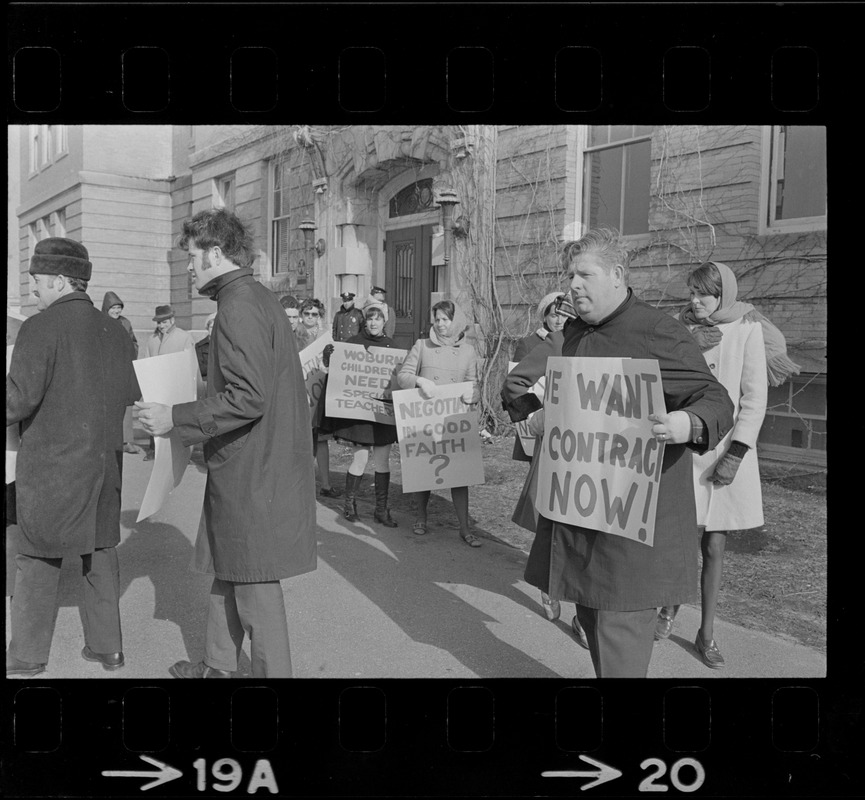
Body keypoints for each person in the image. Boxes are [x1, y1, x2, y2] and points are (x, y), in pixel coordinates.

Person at [502, 228, 734, 678]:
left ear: (617, 276)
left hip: (633, 532)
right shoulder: (570, 334)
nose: (573, 285)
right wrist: (534, 416)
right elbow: (518, 387)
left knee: (619, 647)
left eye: (584, 274)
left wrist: (685, 424)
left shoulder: (657, 331)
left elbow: (716, 399)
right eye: (570, 275)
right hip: (579, 522)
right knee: (592, 625)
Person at [136, 208, 316, 679]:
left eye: (193, 256)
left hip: (252, 467)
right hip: (253, 461)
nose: (189, 266)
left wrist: (174, 417)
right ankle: (218, 666)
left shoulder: (237, 306)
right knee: (228, 564)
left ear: (216, 252)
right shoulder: (251, 297)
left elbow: (248, 397)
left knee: (254, 580)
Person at [6, 238, 139, 677]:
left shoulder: (39, 328)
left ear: (60, 281)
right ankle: (108, 650)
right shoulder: (115, 330)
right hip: (104, 466)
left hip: (53, 469)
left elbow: (17, 402)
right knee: (100, 553)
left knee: (37, 557)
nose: (33, 292)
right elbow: (127, 394)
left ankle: (26, 656)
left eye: (37, 283)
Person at [654, 261, 797, 669]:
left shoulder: (747, 328)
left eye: (705, 294)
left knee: (714, 544)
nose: (696, 302)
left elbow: (753, 397)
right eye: (693, 293)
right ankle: (668, 609)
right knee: (678, 536)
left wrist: (736, 453)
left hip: (724, 450)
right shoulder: (677, 327)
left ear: (724, 295)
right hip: (685, 444)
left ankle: (707, 634)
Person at [508, 291, 584, 638]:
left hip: (597, 454)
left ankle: (585, 613)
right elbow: (514, 384)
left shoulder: (618, 339)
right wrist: (538, 415)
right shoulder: (559, 342)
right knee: (551, 520)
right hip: (557, 447)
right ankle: (550, 587)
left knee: (589, 527)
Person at [397, 300, 482, 546]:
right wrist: (420, 381)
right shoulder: (421, 346)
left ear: (455, 321)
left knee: (459, 474)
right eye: (437, 320)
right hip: (426, 417)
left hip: (453, 421)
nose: (441, 325)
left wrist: (473, 395)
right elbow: (403, 376)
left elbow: (473, 383)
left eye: (445, 319)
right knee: (425, 469)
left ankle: (464, 527)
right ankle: (421, 518)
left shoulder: (467, 351)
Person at [324, 305, 399, 527]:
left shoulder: (392, 348)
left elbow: (401, 378)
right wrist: (330, 356)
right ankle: (350, 505)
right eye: (370, 318)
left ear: (384, 321)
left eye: (378, 319)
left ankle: (381, 510)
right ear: (365, 321)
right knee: (360, 459)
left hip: (383, 415)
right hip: (360, 415)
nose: (374, 322)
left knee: (382, 462)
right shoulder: (353, 344)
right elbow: (336, 372)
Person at [295, 297, 340, 498]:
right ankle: (301, 484)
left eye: (314, 314)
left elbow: (335, 364)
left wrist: (330, 358)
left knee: (321, 440)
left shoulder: (325, 337)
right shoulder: (293, 335)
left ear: (320, 316)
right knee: (303, 440)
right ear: (301, 315)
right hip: (300, 392)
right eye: (307, 314)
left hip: (319, 391)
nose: (311, 317)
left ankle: (326, 484)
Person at [142, 304, 195, 460]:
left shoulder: (184, 337)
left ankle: (182, 453)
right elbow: (146, 360)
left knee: (177, 417)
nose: (161, 325)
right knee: (154, 416)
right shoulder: (152, 339)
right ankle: (155, 450)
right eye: (159, 322)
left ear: (172, 320)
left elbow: (190, 362)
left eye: (164, 322)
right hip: (156, 384)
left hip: (176, 383)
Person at [101, 290, 142, 453]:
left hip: (123, 369)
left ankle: (126, 442)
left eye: (119, 307)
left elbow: (134, 343)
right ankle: (105, 439)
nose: (116, 311)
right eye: (113, 308)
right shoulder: (100, 322)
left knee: (126, 405)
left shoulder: (125, 323)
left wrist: (127, 354)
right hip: (106, 370)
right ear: (106, 308)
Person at [195, 313, 217, 380]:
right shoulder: (200, 346)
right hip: (206, 381)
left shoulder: (224, 345)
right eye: (211, 327)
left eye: (215, 327)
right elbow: (200, 369)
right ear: (207, 328)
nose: (213, 330)